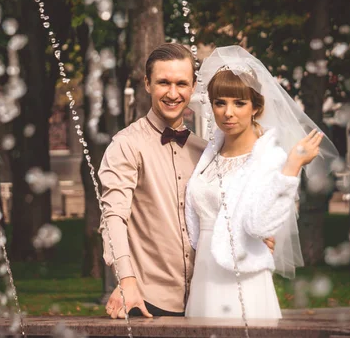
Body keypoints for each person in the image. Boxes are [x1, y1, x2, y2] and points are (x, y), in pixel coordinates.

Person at [98, 43, 276, 318]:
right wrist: (126, 281)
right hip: (147, 302)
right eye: (163, 83)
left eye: (181, 83)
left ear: (193, 87)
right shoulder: (125, 145)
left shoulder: (206, 152)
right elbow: (113, 219)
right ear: (147, 84)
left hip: (206, 298)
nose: (173, 93)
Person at [184, 46, 338, 319]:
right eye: (220, 103)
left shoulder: (270, 158)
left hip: (242, 276)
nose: (228, 112)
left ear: (256, 107)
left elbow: (261, 223)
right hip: (204, 274)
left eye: (239, 103)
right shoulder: (209, 155)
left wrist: (291, 168)